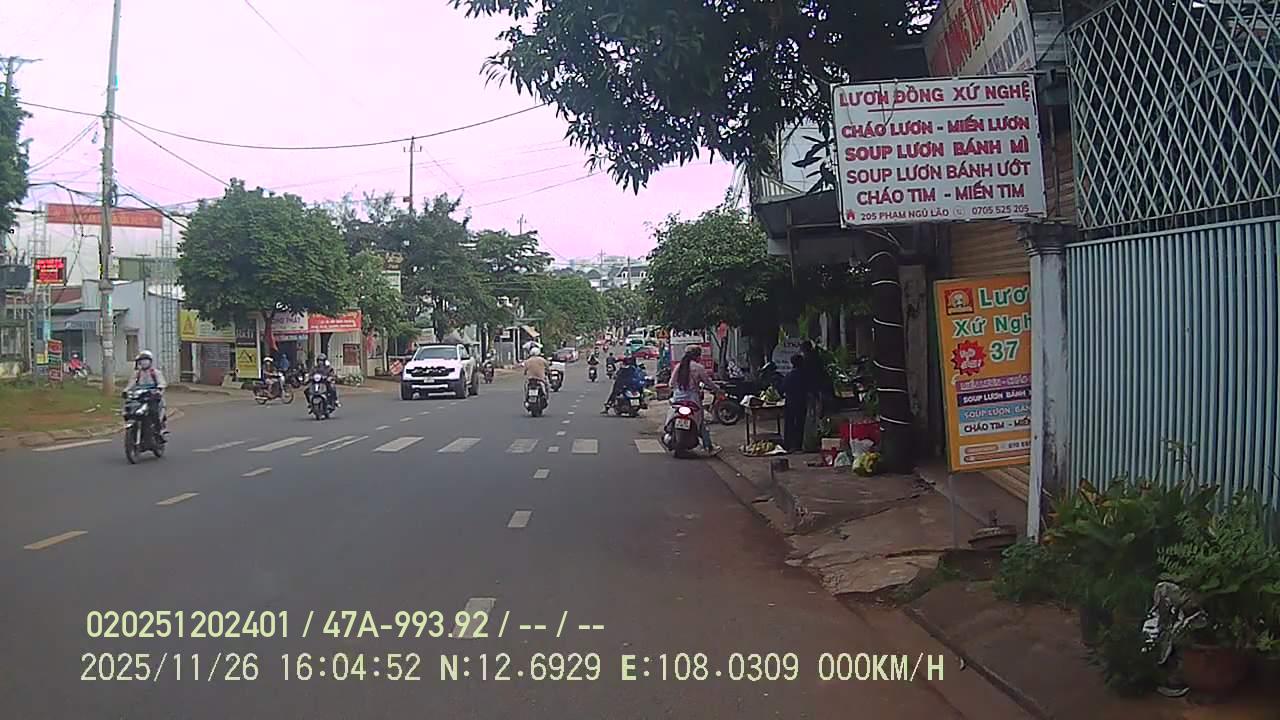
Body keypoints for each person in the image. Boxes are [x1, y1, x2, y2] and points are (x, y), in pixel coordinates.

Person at [669, 346, 722, 455]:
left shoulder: (679, 366)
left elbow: (671, 383)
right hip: (693, 400)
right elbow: (708, 382)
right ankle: (709, 447)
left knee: (671, 416)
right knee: (701, 423)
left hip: (678, 398)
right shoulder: (698, 368)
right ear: (697, 356)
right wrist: (718, 390)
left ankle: (669, 432)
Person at [125, 350, 167, 432]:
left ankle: (158, 429)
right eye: (142, 361)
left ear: (150, 362)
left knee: (153, 412)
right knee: (129, 409)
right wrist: (126, 391)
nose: (144, 363)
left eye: (146, 360)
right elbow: (131, 383)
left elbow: (162, 383)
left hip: (152, 396)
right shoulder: (137, 373)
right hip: (140, 396)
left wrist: (158, 390)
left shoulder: (155, 372)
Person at [781, 354, 808, 452]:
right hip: (802, 401)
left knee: (789, 423)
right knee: (800, 423)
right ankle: (798, 444)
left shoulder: (789, 375)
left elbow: (783, 388)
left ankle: (788, 444)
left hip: (790, 401)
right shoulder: (805, 375)